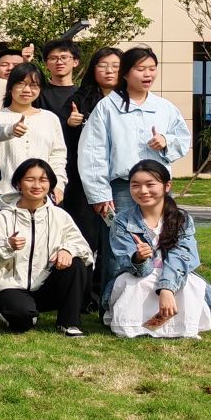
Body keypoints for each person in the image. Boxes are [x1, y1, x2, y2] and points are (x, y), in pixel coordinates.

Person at [77, 45, 191, 290]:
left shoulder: (164, 107)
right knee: (119, 247)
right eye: (141, 69)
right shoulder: (108, 107)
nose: (148, 74)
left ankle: (159, 294)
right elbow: (93, 151)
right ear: (126, 74)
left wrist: (166, 141)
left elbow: (183, 140)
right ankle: (114, 301)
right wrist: (99, 193)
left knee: (160, 241)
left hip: (157, 188)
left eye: (152, 68)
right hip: (121, 189)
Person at [0, 159, 93, 336]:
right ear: (18, 184)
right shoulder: (4, 217)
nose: (37, 185)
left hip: (47, 286)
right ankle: (11, 312)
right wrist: (6, 246)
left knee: (76, 263)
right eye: (30, 179)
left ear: (51, 184)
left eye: (43, 180)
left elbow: (84, 249)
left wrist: (67, 250)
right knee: (21, 320)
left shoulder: (60, 216)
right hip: (12, 288)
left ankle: (69, 323)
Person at [104, 160, 211, 340]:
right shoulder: (122, 221)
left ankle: (179, 327)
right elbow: (127, 261)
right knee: (139, 282)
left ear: (167, 186)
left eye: (150, 185)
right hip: (139, 274)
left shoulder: (181, 219)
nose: (143, 191)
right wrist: (139, 258)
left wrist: (167, 288)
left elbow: (183, 256)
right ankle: (136, 326)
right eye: (135, 185)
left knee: (188, 283)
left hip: (174, 273)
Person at [62, 46, 121, 269]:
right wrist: (70, 124)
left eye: (115, 66)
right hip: (83, 181)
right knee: (85, 235)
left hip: (119, 178)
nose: (109, 71)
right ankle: (86, 285)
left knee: (117, 238)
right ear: (93, 69)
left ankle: (112, 284)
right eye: (102, 65)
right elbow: (61, 141)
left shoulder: (130, 100)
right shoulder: (79, 99)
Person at [0, 62, 66, 208]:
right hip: (5, 194)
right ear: (10, 87)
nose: (27, 90)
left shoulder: (50, 118)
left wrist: (59, 184)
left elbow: (58, 155)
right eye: (21, 84)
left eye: (33, 85)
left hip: (42, 193)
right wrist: (11, 130)